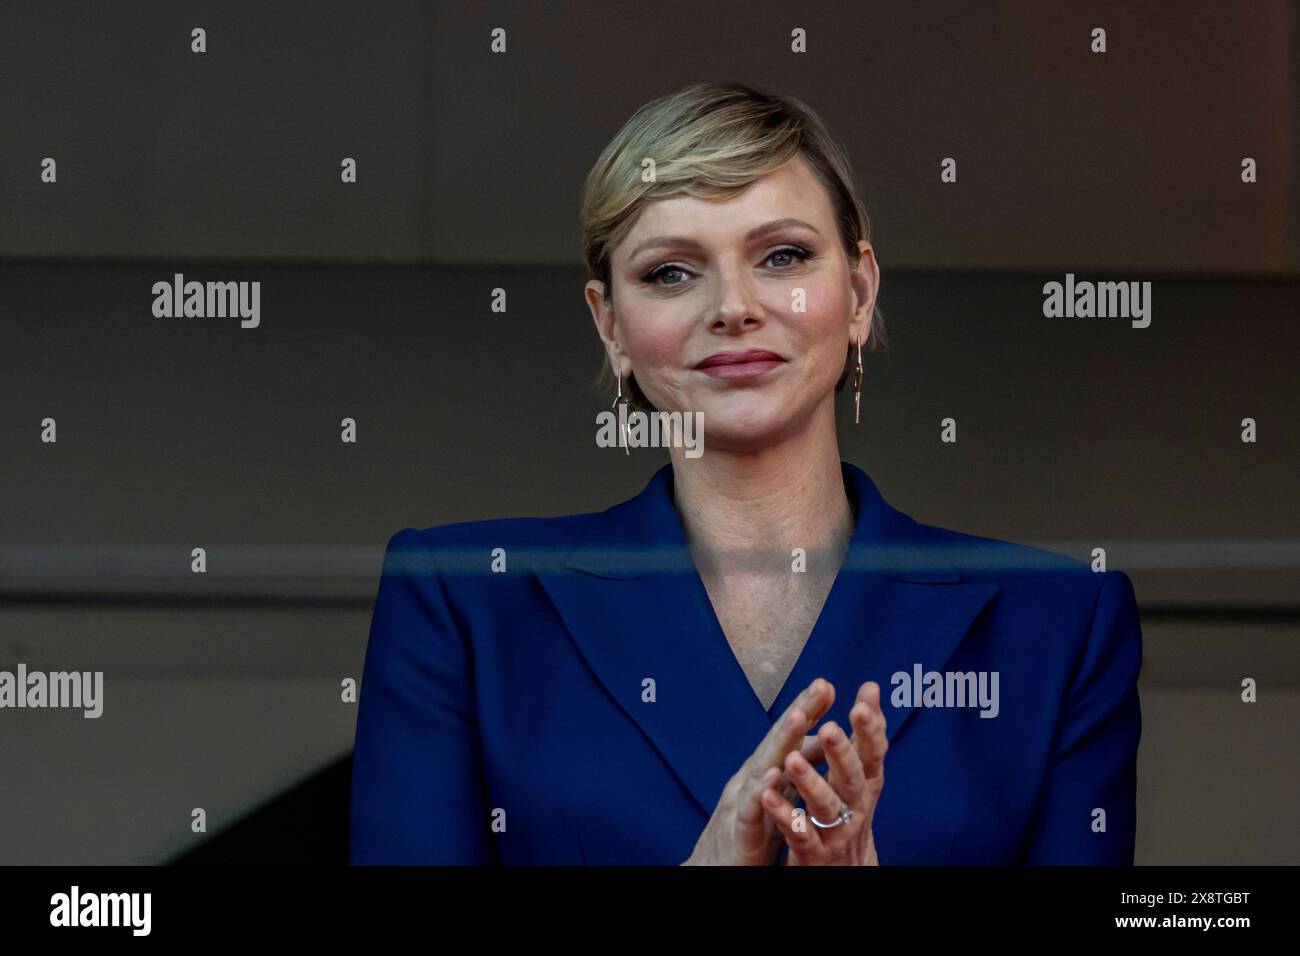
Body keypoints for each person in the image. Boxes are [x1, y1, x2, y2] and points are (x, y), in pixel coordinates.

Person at [349, 82, 1142, 865]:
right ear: (610, 324)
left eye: (784, 255)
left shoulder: (1059, 627)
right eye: (670, 271)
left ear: (859, 292)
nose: (734, 305)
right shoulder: (466, 602)